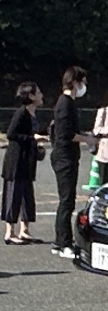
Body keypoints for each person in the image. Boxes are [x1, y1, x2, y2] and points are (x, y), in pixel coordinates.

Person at [50, 66, 97, 259]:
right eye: (83, 82)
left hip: (66, 156)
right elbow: (67, 134)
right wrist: (88, 139)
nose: (84, 86)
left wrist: (86, 135)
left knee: (66, 200)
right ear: (75, 83)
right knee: (66, 201)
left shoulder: (67, 103)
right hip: (64, 157)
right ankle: (64, 244)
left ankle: (59, 242)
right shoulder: (65, 103)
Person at [2, 82, 49, 245]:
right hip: (16, 162)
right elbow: (11, 134)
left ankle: (25, 230)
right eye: (39, 92)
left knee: (27, 196)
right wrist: (32, 138)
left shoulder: (32, 114)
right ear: (31, 96)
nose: (42, 95)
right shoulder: (21, 113)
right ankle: (10, 232)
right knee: (13, 195)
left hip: (27, 161)